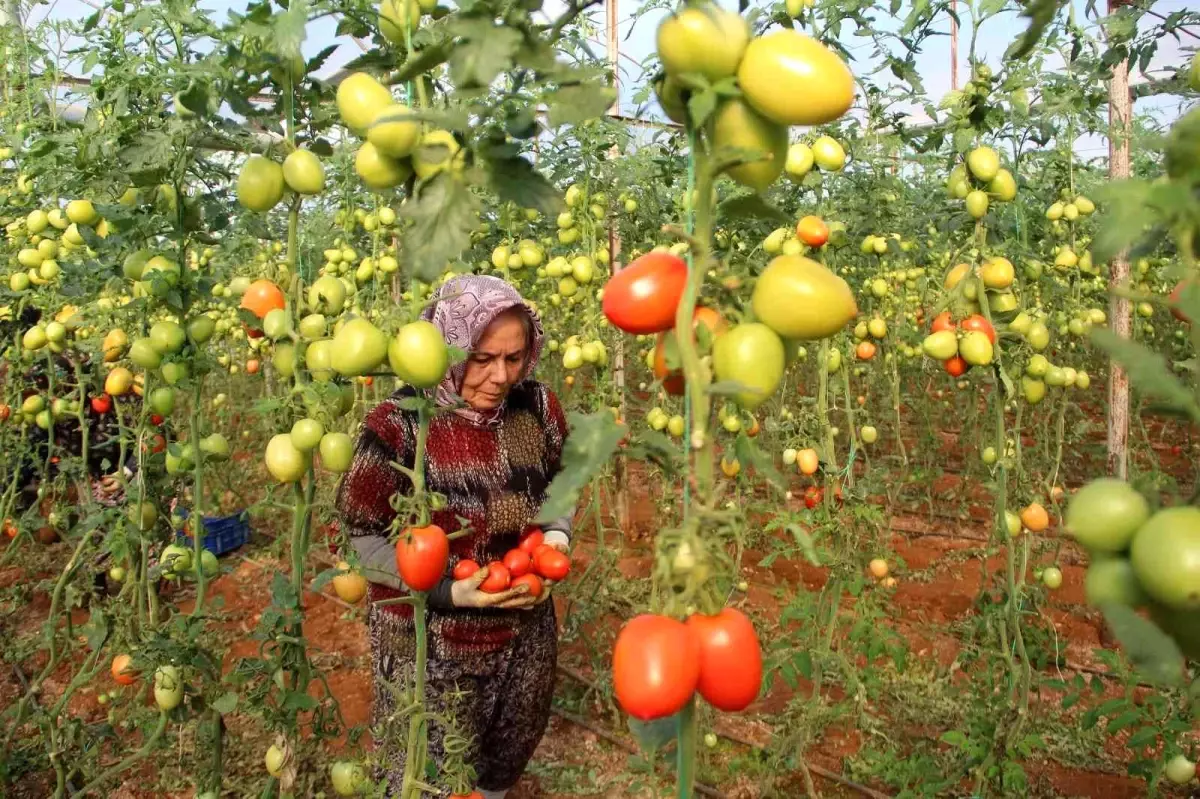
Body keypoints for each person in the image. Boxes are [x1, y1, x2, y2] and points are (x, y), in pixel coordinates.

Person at [335, 274, 574, 799]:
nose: (500, 376)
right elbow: (360, 537)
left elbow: (560, 485)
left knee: (502, 756)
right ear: (447, 346)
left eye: (514, 358)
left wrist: (555, 537)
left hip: (522, 629)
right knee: (427, 771)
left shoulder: (535, 410)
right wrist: (446, 589)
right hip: (430, 643)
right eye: (482, 358)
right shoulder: (398, 427)